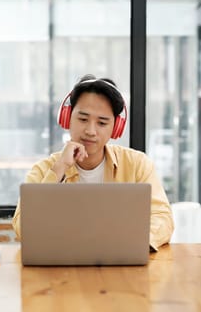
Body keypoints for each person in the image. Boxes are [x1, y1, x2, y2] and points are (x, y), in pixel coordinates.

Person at [12, 74, 174, 251]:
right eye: (82, 119)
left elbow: (162, 217)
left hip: (121, 265)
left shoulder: (137, 164)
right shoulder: (43, 170)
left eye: (102, 123)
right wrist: (59, 170)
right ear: (67, 118)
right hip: (62, 268)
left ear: (115, 128)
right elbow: (23, 229)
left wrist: (134, 244)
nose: (90, 131)